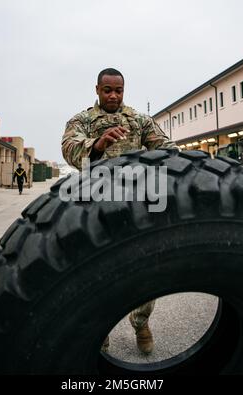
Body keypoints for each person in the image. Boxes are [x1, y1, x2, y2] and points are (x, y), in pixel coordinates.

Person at [62, 68, 177, 355]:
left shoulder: (138, 120)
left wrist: (178, 162)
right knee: (95, 272)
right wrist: (96, 145)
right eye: (107, 90)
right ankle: (98, 331)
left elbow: (166, 147)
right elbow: (69, 148)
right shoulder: (83, 120)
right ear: (97, 90)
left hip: (135, 205)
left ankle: (141, 323)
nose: (113, 95)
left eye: (118, 90)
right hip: (96, 206)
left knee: (145, 270)